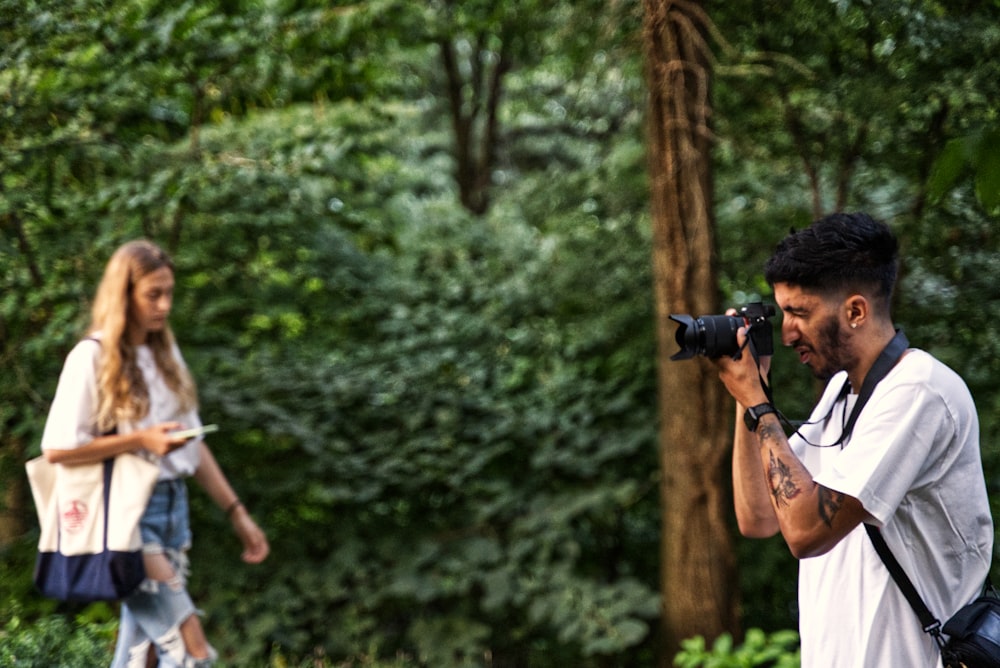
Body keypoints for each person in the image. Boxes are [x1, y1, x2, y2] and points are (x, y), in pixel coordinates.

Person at [715, 212, 993, 667]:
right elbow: (761, 517)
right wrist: (750, 393)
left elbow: (805, 531)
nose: (786, 334)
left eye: (799, 313)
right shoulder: (840, 396)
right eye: (782, 312)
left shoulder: (918, 391)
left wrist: (758, 404)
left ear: (856, 311)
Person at [40, 240, 270, 667]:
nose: (164, 305)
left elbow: (194, 446)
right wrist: (142, 440)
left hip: (172, 511)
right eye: (153, 294)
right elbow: (57, 448)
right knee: (191, 650)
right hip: (125, 519)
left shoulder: (165, 356)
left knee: (139, 656)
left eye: (169, 293)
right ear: (123, 294)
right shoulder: (91, 358)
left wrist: (237, 512)